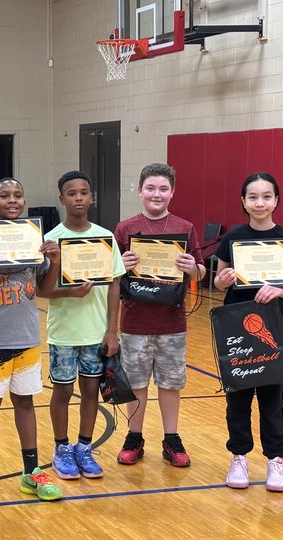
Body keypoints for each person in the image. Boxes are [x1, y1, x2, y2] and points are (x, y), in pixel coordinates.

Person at [0, 178, 64, 508]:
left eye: (18, 194)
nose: (13, 200)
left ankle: (31, 471)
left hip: (27, 337)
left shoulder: (36, 238)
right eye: (4, 196)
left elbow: (45, 289)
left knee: (25, 403)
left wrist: (56, 260)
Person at [213, 172, 283, 492]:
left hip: (274, 324)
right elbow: (218, 280)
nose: (260, 203)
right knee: (238, 395)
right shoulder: (233, 238)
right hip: (236, 323)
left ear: (276, 200)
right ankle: (239, 456)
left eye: (266, 196)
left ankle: (275, 461)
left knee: (271, 396)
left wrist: (279, 291)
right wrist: (223, 280)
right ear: (243, 201)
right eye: (253, 197)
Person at [113, 163, 205, 468]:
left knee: (170, 383)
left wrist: (193, 269)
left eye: (163, 188)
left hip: (172, 322)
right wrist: (121, 265)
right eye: (150, 188)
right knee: (136, 383)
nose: (157, 194)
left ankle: (171, 438)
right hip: (135, 320)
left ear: (172, 192)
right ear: (140, 191)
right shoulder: (125, 228)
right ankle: (134, 437)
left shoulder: (185, 227)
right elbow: (111, 275)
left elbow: (202, 270)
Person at [38, 171, 125, 479]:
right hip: (64, 331)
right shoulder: (50, 240)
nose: (78, 197)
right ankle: (61, 448)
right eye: (71, 193)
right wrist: (69, 291)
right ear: (62, 199)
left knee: (91, 391)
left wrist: (111, 330)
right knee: (62, 392)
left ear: (91, 197)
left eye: (83, 192)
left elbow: (115, 284)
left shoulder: (105, 237)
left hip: (95, 331)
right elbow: (42, 291)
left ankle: (84, 447)